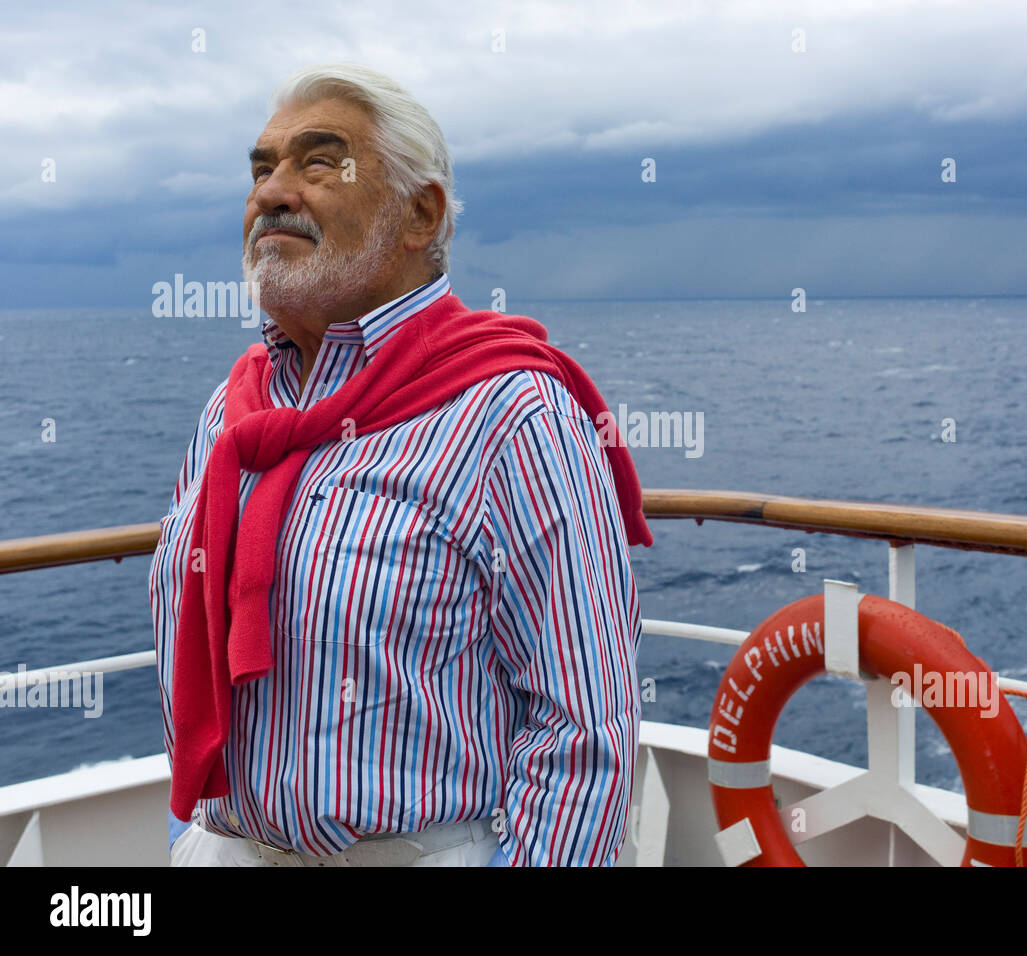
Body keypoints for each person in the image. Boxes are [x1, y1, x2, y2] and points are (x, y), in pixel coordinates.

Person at [149, 64, 652, 867]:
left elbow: (584, 730)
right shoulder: (234, 412)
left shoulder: (511, 415)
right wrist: (195, 837)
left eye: (318, 163)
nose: (273, 192)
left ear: (420, 215)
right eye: (261, 168)